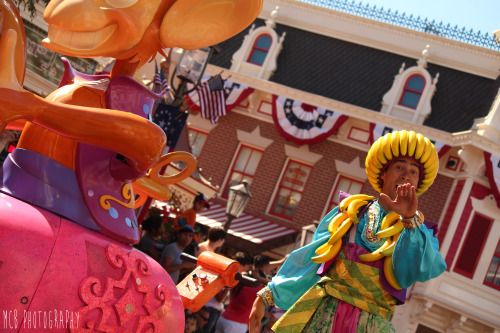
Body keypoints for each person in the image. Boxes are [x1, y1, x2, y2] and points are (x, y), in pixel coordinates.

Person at [249, 130, 447, 333]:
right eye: (399, 167)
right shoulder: (351, 213)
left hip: (371, 325)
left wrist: (409, 221)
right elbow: (312, 259)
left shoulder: (420, 233)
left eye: (413, 171)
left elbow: (417, 272)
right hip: (324, 315)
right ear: (383, 173)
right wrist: (267, 296)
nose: (406, 175)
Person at [215, 252, 258, 333]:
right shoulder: (256, 290)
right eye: (248, 267)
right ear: (242, 265)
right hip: (236, 324)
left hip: (223, 318)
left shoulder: (236, 281)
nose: (249, 270)